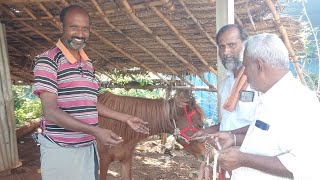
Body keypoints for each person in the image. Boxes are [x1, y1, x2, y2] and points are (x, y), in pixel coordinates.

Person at [32, 5, 149, 180]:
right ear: (61, 26)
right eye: (74, 27)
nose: (80, 33)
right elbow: (50, 112)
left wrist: (125, 118)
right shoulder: (47, 61)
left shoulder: (87, 64)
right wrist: (95, 131)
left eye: (85, 28)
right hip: (61, 148)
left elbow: (90, 102)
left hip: (87, 146)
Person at [210, 33, 320, 179]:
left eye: (246, 67)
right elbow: (269, 139)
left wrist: (244, 159)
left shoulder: (300, 102)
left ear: (259, 65)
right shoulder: (270, 97)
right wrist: (234, 138)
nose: (245, 74)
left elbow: (305, 165)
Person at [191, 24, 258, 139]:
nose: (226, 52)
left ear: (245, 45)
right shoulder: (224, 85)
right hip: (227, 153)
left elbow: (265, 127)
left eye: (231, 45)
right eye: (222, 47)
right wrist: (207, 131)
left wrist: (232, 138)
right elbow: (228, 123)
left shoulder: (258, 83)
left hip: (251, 154)